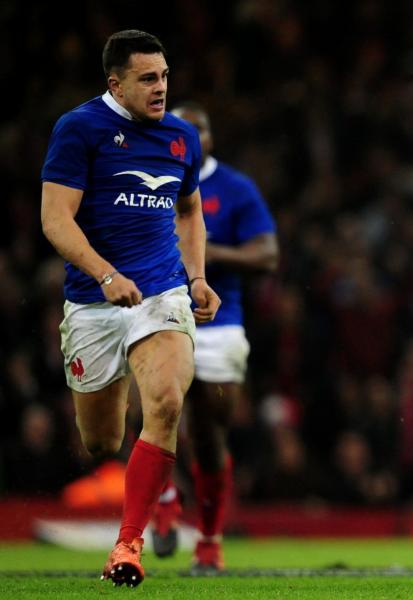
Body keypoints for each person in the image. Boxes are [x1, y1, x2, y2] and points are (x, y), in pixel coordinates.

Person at [39, 30, 220, 587]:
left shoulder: (181, 138)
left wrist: (196, 278)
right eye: (147, 79)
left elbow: (189, 211)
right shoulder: (80, 129)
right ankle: (132, 511)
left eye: (164, 76)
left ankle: (128, 545)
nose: (160, 88)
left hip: (162, 292)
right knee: (101, 441)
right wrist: (105, 274)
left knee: (165, 402)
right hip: (94, 301)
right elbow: (55, 219)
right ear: (114, 83)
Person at [149, 102, 278, 572]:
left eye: (199, 128)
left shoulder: (235, 188)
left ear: (210, 137)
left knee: (207, 433)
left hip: (218, 323)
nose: (191, 135)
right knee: (142, 409)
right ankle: (163, 496)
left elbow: (267, 255)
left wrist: (201, 251)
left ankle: (208, 539)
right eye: (181, 127)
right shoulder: (148, 176)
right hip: (158, 311)